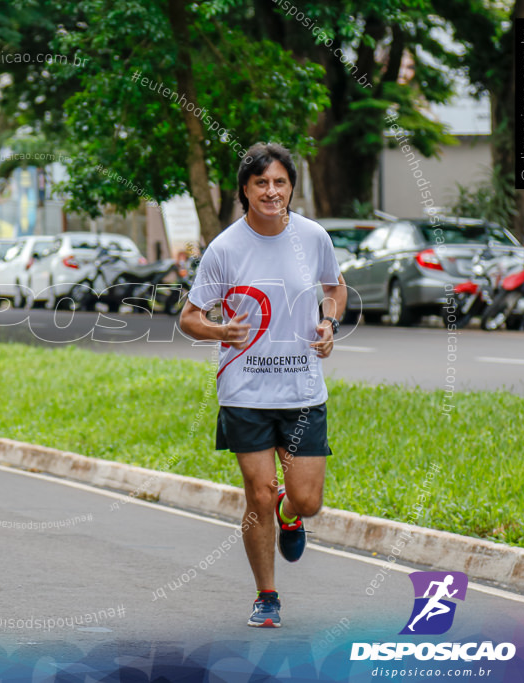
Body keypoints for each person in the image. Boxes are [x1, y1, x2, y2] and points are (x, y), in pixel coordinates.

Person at [178, 143, 347, 628]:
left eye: (279, 182)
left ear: (291, 186)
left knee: (308, 499)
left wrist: (328, 323)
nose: (271, 192)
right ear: (245, 191)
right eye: (261, 183)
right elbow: (190, 318)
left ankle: (288, 514)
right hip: (245, 393)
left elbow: (333, 288)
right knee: (257, 493)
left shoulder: (313, 237)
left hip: (302, 392)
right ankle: (266, 595)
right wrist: (217, 331)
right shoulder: (226, 248)